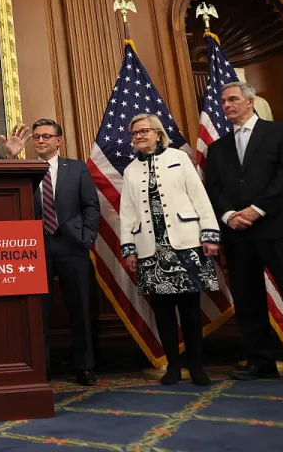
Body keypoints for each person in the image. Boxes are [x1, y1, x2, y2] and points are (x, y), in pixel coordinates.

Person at [206, 81, 283, 380]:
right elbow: (214, 188)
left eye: (233, 99)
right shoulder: (217, 147)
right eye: (223, 101)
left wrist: (257, 209)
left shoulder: (280, 133)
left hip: (278, 227)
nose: (227, 105)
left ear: (250, 101)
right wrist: (228, 215)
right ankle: (261, 361)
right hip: (238, 233)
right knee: (248, 299)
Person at [120, 113, 220, 386]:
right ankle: (173, 367)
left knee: (190, 310)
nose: (139, 136)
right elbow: (127, 213)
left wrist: (209, 235)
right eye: (134, 133)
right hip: (151, 251)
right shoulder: (130, 170)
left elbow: (199, 196)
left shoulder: (178, 158)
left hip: (186, 245)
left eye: (144, 131)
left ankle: (197, 366)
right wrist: (129, 249)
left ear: (158, 133)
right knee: (163, 312)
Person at [31, 118, 99, 386]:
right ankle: (42, 369)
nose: (41, 141)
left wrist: (86, 236)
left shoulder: (77, 169)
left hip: (72, 244)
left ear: (58, 140)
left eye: (47, 136)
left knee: (80, 307)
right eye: (36, 137)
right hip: (36, 247)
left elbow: (91, 206)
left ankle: (85, 367)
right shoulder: (25, 168)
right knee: (39, 311)